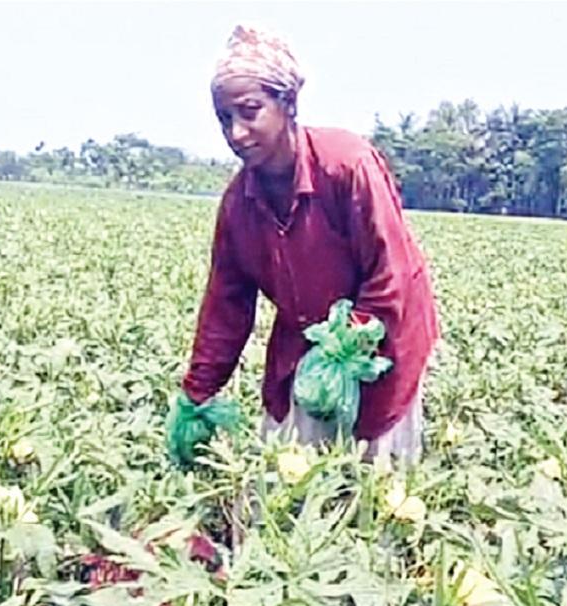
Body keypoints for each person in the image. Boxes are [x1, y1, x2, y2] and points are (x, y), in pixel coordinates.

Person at [174, 25, 440, 464]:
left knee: (372, 479)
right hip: (305, 340)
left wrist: (344, 348)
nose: (236, 132)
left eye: (250, 111)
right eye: (225, 118)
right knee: (282, 478)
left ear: (288, 104)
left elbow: (389, 272)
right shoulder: (239, 205)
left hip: (383, 342)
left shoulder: (346, 165)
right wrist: (198, 392)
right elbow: (227, 306)